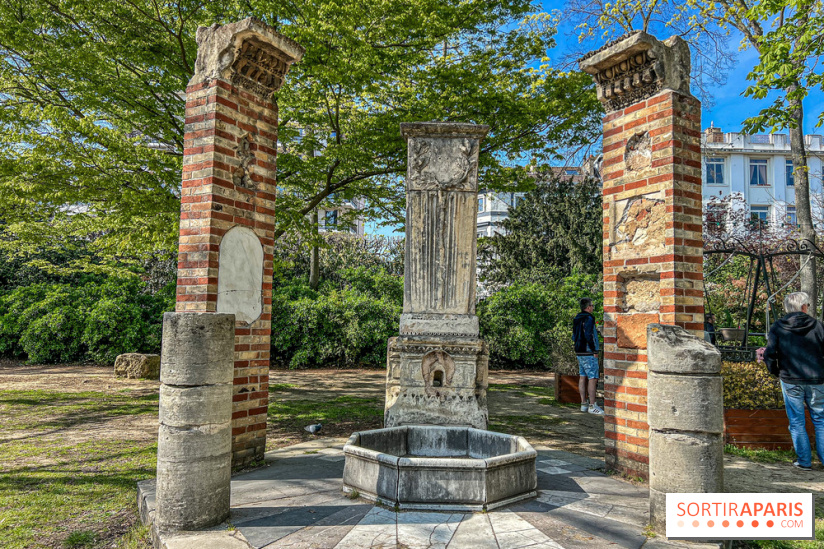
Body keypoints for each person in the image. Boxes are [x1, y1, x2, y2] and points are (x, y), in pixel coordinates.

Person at [759, 291, 824, 470]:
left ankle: (804, 461)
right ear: (804, 307)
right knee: (820, 420)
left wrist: (776, 371)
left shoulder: (779, 327)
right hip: (817, 378)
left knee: (796, 421)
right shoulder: (818, 326)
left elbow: (770, 354)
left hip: (790, 378)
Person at [572, 297, 604, 415]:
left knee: (582, 376)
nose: (592, 308)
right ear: (588, 307)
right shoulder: (589, 317)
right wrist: (594, 349)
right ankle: (592, 405)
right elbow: (588, 334)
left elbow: (574, 335)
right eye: (592, 306)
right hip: (588, 351)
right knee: (593, 378)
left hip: (579, 351)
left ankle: (583, 404)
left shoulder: (577, 318)